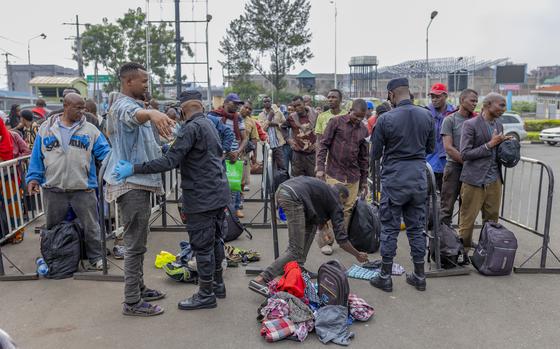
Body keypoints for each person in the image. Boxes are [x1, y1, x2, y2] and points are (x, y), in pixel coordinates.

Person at [113, 91, 230, 311]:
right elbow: (192, 154)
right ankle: (217, 285)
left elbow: (170, 161)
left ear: (183, 110)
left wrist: (134, 168)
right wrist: (172, 147)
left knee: (202, 246)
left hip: (200, 196)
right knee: (215, 241)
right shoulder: (208, 125)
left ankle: (206, 295)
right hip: (217, 193)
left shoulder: (190, 128)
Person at [103, 62, 175, 317]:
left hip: (139, 182)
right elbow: (132, 116)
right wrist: (153, 114)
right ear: (128, 82)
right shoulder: (124, 106)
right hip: (131, 185)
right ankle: (132, 301)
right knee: (134, 245)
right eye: (144, 81)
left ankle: (139, 288)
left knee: (140, 243)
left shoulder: (135, 106)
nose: (147, 85)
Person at [25, 93, 111, 270]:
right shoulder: (45, 129)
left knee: (91, 226)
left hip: (83, 188)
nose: (82, 111)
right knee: (52, 228)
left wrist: (113, 169)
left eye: (84, 108)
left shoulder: (91, 130)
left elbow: (106, 153)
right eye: (78, 108)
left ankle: (96, 258)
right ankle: (54, 259)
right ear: (66, 106)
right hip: (53, 189)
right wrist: (33, 178)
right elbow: (37, 157)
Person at [248, 176, 369, 296]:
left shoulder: (325, 190)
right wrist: (357, 254)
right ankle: (262, 278)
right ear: (341, 196)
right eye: (343, 202)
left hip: (284, 189)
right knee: (295, 249)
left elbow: (315, 215)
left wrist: (323, 226)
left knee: (311, 227)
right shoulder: (335, 200)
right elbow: (342, 240)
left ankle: (298, 266)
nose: (342, 206)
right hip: (293, 197)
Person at [369, 78, 435, 292]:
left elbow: (375, 154)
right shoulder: (426, 115)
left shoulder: (386, 118)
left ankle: (385, 277)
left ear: (391, 95)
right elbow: (431, 148)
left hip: (394, 179)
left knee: (389, 228)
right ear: (409, 92)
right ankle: (419, 276)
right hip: (417, 178)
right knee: (416, 229)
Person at [315, 99, 369, 255]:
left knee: (347, 210)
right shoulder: (336, 122)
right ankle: (326, 241)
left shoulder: (364, 130)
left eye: (362, 117)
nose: (358, 119)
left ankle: (341, 239)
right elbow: (323, 144)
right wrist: (320, 168)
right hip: (334, 172)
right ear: (350, 110)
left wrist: (364, 180)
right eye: (356, 115)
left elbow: (364, 157)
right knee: (331, 208)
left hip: (353, 175)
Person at [458, 93, 508, 249]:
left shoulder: (499, 125)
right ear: (488, 104)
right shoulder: (470, 125)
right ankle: (462, 252)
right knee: (467, 221)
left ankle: (487, 252)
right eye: (501, 105)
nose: (504, 109)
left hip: (494, 180)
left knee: (492, 221)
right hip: (474, 180)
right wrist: (489, 145)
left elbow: (496, 150)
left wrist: (506, 147)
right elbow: (465, 154)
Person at [440, 89, 478, 226]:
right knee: (446, 207)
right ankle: (444, 242)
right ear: (462, 101)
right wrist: (466, 161)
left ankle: (463, 242)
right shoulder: (450, 120)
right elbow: (448, 147)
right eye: (472, 100)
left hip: (471, 170)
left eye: (476, 101)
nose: (475, 104)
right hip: (454, 168)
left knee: (467, 208)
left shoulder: (476, 120)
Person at [208, 93, 248, 218]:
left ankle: (235, 209)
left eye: (238, 104)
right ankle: (218, 210)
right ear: (225, 103)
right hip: (217, 155)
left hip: (233, 156)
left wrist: (238, 151)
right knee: (216, 184)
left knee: (233, 184)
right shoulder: (213, 116)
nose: (237, 106)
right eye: (234, 103)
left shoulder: (239, 118)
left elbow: (244, 138)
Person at [426, 83, 456, 192]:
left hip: (448, 161)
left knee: (446, 195)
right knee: (428, 195)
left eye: (437, 96)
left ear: (445, 96)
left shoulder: (454, 112)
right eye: (432, 97)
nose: (434, 99)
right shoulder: (426, 112)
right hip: (429, 161)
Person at [284, 96, 317, 177]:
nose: (297, 108)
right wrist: (288, 140)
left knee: (313, 180)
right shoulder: (292, 117)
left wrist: (318, 142)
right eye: (294, 106)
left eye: (299, 105)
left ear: (304, 103)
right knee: (297, 181)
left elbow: (322, 130)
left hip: (312, 154)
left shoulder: (315, 115)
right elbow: (282, 127)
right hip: (297, 155)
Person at [259, 96, 286, 173]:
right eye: (265, 101)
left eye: (268, 101)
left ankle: (280, 183)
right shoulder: (261, 115)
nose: (267, 103)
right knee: (267, 167)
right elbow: (262, 129)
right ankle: (268, 184)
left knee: (281, 166)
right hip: (267, 145)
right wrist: (269, 119)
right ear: (263, 103)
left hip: (278, 144)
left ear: (271, 102)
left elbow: (284, 123)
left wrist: (276, 124)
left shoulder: (278, 112)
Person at [240, 101, 259, 191]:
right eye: (246, 107)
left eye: (250, 109)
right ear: (241, 107)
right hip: (231, 152)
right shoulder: (233, 117)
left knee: (243, 178)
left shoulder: (251, 122)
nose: (247, 110)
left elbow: (254, 139)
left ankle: (240, 199)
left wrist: (255, 156)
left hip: (244, 153)